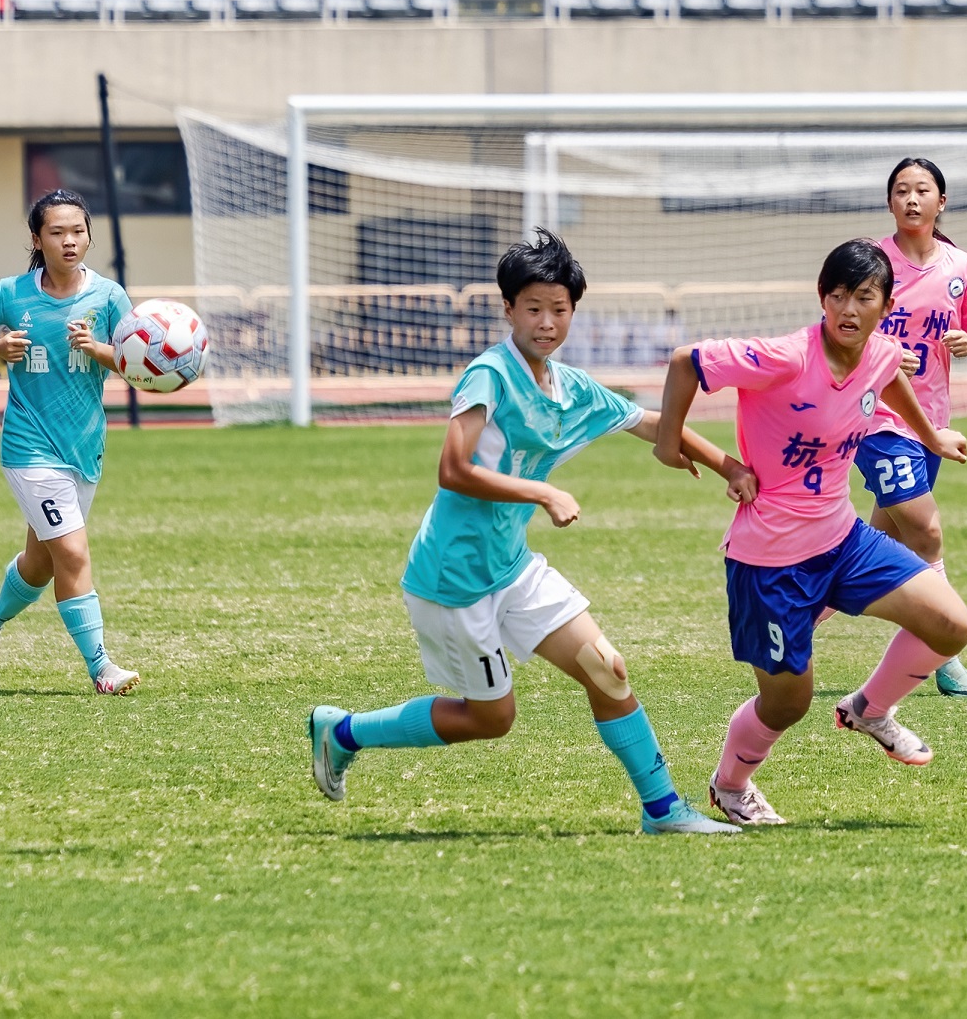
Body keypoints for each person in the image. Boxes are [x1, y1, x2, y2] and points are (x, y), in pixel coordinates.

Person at [308, 230, 756, 835]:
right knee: (492, 719)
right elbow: (453, 469)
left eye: (559, 310)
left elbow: (650, 423)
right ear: (509, 310)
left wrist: (727, 465)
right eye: (533, 309)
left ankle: (663, 810)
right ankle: (343, 731)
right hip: (453, 579)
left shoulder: (568, 386)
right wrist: (543, 491)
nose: (547, 323)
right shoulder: (488, 376)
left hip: (511, 566)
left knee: (606, 667)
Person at [653, 238, 967, 827]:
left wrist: (930, 437)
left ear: (885, 303)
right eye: (836, 295)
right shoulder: (783, 356)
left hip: (844, 542)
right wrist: (669, 442)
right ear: (822, 297)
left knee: (951, 624)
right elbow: (685, 362)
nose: (847, 308)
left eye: (863, 297)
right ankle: (730, 786)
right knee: (788, 704)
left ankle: (869, 710)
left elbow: (888, 381)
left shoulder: (879, 351)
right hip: (769, 561)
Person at [0, 189, 140, 695]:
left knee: (39, 565)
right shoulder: (13, 293)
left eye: (77, 231)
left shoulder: (108, 296)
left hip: (83, 447)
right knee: (74, 556)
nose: (69, 241)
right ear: (37, 239)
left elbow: (135, 360)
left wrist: (96, 348)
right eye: (56, 232)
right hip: (28, 446)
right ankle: (102, 668)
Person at [857, 158, 967, 698]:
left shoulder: (962, 267)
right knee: (927, 533)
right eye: (901, 190)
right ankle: (945, 656)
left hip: (930, 425)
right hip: (876, 419)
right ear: (889, 202)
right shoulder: (871, 262)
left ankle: (804, 609)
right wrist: (883, 352)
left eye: (922, 190)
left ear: (943, 201)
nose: (911, 199)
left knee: (874, 546)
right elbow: (837, 334)